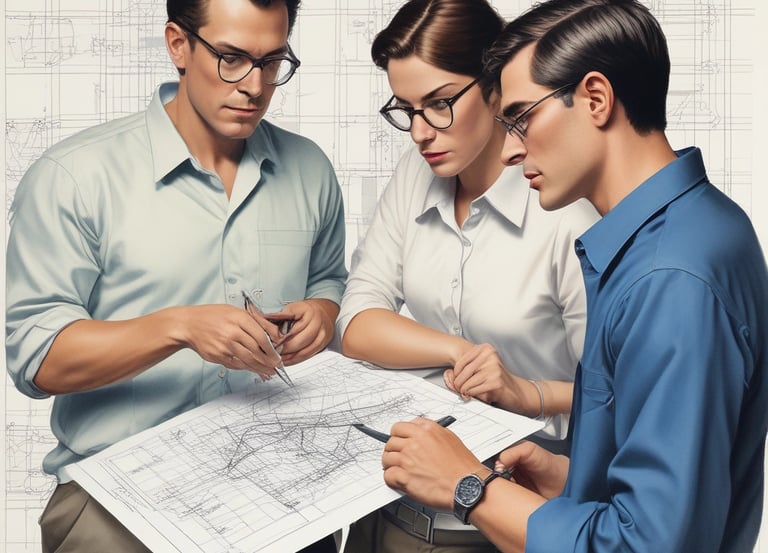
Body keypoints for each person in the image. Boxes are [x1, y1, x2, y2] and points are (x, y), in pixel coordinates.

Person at [378, 0, 768, 551]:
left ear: (595, 99)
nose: (510, 149)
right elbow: (683, 491)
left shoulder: (671, 278)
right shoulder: (698, 226)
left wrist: (470, 487)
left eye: (521, 118)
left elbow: (648, 545)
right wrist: (572, 478)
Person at [5, 0, 346, 552]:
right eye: (232, 58)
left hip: (284, 499)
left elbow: (331, 281)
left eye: (272, 61)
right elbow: (35, 359)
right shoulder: (73, 176)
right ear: (178, 45)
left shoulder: (310, 168)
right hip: (121, 506)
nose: (255, 86)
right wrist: (177, 328)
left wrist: (324, 313)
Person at [337, 0, 599, 551]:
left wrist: (523, 390)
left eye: (438, 104)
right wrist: (459, 352)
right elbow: (356, 321)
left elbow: (615, 396)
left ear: (496, 86)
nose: (418, 132)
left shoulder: (566, 211)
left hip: (505, 520)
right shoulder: (417, 172)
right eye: (405, 109)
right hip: (386, 509)